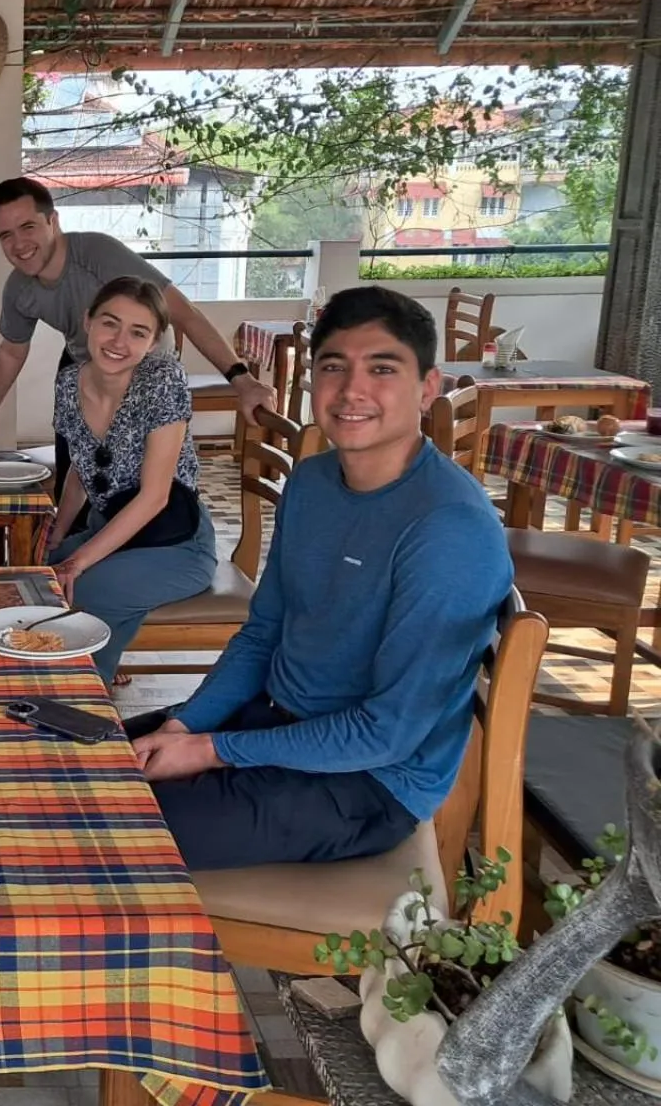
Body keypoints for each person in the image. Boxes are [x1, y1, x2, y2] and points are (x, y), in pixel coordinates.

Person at [129, 286, 514, 871]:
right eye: (333, 367)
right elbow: (263, 635)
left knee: (99, 831)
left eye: (382, 368)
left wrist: (210, 749)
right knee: (66, 769)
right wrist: (184, 724)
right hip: (271, 720)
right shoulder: (311, 482)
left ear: (428, 387)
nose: (352, 390)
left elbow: (386, 734)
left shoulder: (448, 531)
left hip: (367, 781)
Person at [0, 176, 276, 487]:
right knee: (76, 474)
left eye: (28, 227)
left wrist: (243, 381)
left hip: (145, 367)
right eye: (6, 235)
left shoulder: (96, 254)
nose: (18, 244)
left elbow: (186, 314)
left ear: (53, 221)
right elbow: (12, 350)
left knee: (142, 483)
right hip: (84, 363)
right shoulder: (19, 289)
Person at [47, 277, 218, 682]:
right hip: (111, 529)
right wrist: (56, 536)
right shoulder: (70, 382)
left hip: (176, 541)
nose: (119, 341)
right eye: (110, 323)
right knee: (37, 574)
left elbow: (155, 497)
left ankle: (87, 701)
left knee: (83, 589)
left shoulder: (162, 380)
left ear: (154, 341)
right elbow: (78, 466)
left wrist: (78, 560)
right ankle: (81, 664)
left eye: (137, 332)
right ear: (88, 321)